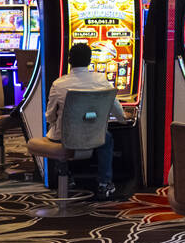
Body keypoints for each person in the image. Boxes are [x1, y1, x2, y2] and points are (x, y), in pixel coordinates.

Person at [44, 42, 127, 201]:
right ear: (90, 61)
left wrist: (56, 122)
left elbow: (49, 116)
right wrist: (122, 119)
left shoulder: (58, 84)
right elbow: (116, 107)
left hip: (65, 137)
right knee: (107, 138)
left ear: (69, 60)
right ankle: (104, 182)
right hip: (94, 136)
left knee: (55, 135)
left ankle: (66, 176)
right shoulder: (101, 80)